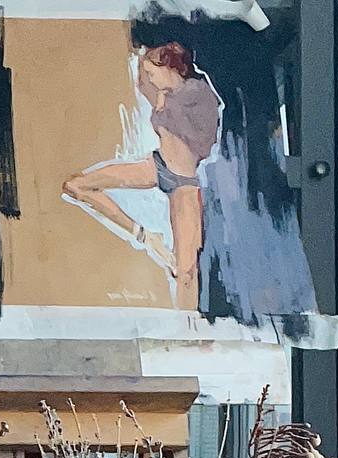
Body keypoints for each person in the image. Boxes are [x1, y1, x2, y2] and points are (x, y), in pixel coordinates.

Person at [62, 41, 222, 311]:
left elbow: (205, 142)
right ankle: (145, 236)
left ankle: (187, 326)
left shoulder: (198, 93)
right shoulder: (163, 93)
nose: (149, 79)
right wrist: (154, 85)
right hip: (157, 165)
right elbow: (148, 93)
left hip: (184, 182)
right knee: (76, 186)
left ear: (170, 68)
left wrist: (165, 103)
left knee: (186, 272)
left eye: (152, 73)